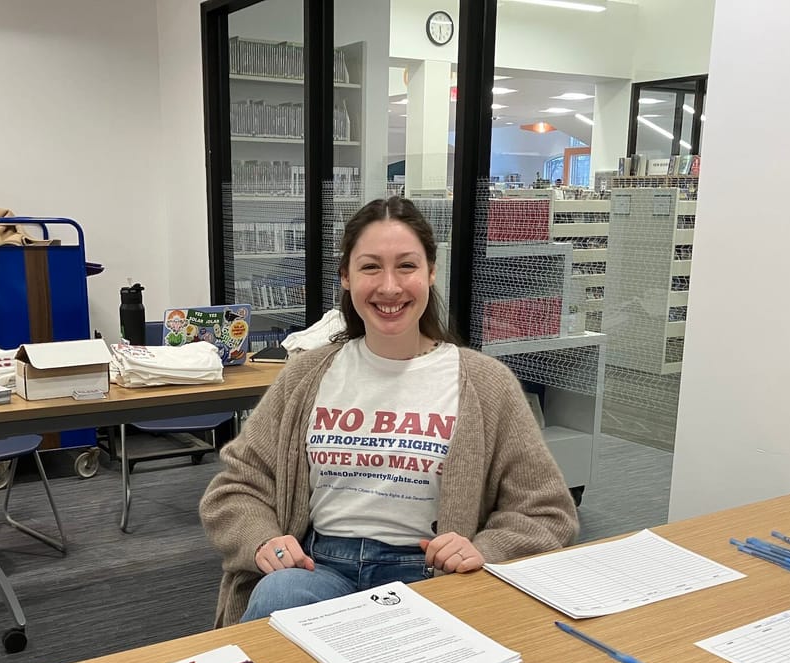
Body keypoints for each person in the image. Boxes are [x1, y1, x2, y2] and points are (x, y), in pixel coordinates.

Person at [200, 196, 579, 626]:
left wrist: (486, 549)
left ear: (431, 273)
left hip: (430, 575)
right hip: (318, 567)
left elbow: (546, 511)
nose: (390, 287)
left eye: (406, 266)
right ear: (345, 277)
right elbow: (236, 486)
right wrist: (261, 540)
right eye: (370, 267)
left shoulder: (484, 383)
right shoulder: (307, 375)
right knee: (277, 596)